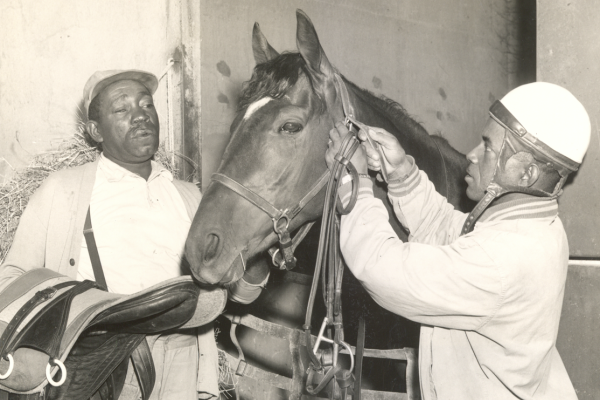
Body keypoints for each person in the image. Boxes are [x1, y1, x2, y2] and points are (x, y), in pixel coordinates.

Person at [325, 82, 590, 399]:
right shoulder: (535, 226)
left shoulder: (503, 260)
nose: (472, 154)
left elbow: (381, 267)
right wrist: (399, 172)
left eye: (488, 147)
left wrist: (353, 182)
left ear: (526, 174)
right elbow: (448, 230)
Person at [0, 70, 221, 399]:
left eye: (147, 105)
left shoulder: (189, 195)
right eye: (121, 109)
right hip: (105, 360)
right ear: (95, 131)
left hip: (182, 354)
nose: (140, 115)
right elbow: (13, 279)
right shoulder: (64, 190)